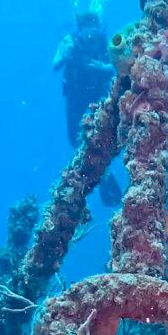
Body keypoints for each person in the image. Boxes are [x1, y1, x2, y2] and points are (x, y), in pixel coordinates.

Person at [53, 12, 122, 205]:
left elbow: (117, 66)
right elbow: (55, 64)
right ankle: (100, 174)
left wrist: (100, 66)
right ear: (80, 29)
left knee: (102, 135)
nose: (91, 36)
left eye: (94, 30)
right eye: (87, 31)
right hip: (75, 97)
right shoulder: (70, 41)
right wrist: (66, 54)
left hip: (97, 96)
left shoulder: (104, 42)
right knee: (74, 138)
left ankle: (103, 170)